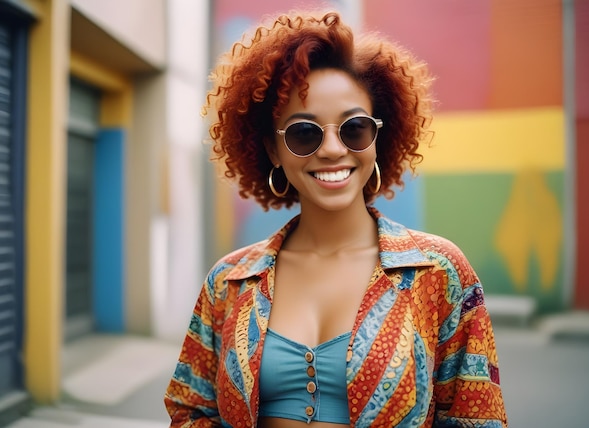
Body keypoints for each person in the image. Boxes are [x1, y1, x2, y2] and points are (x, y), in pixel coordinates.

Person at [164, 9, 507, 428]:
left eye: (354, 129)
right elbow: (190, 411)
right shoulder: (229, 282)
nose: (331, 149)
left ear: (378, 138)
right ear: (273, 151)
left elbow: (477, 417)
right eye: (304, 133)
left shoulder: (438, 272)